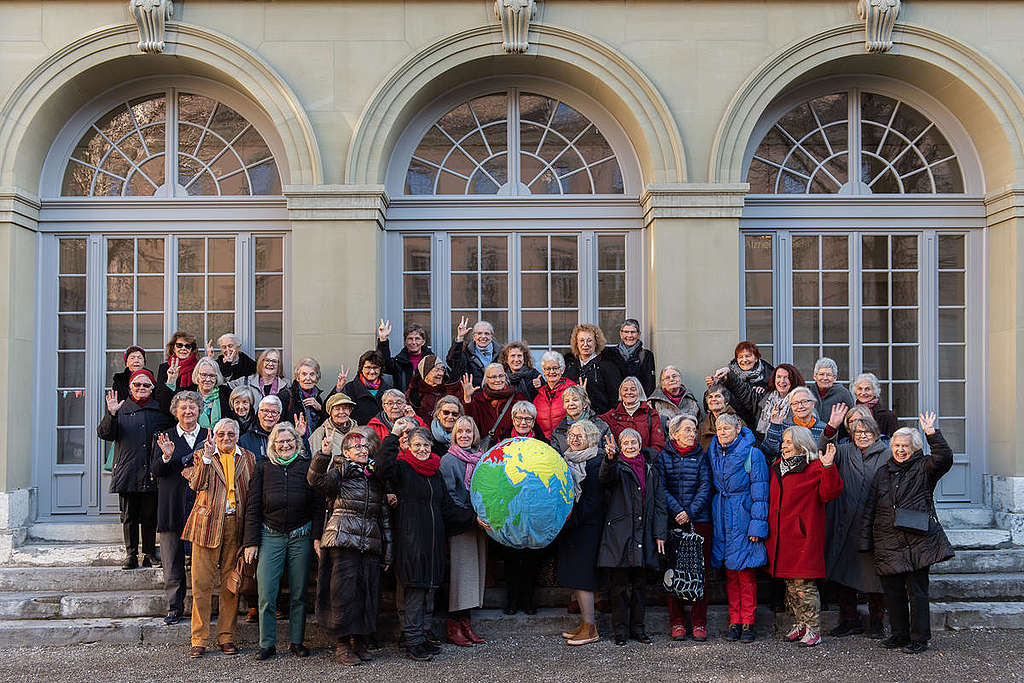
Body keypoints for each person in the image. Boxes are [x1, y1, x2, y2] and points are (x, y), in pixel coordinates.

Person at [374, 426, 478, 662]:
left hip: (433, 543)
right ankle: (412, 640)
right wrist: (391, 437)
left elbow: (448, 508)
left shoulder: (435, 472)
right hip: (410, 541)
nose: (422, 449)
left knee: (428, 590)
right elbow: (381, 469)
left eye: (426, 446)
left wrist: (474, 517)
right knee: (414, 590)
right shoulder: (402, 468)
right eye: (417, 445)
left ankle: (422, 636)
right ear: (409, 447)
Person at [859, 412, 954, 654]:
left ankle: (919, 638)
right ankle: (899, 634)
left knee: (917, 593)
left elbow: (944, 458)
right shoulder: (883, 472)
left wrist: (932, 433)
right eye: (897, 446)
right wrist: (865, 540)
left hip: (916, 540)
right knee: (893, 593)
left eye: (905, 446)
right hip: (887, 540)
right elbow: (871, 506)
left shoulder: (924, 467)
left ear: (914, 448)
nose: (900, 450)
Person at [307, 427, 392, 666]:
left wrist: (388, 551)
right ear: (346, 451)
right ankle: (342, 644)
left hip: (370, 542)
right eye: (357, 447)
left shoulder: (375, 477)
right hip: (343, 540)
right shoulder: (340, 471)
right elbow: (316, 481)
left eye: (365, 447)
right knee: (343, 595)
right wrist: (323, 456)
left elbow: (383, 516)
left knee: (366, 594)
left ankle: (359, 642)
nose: (363, 450)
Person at [243, 422, 323, 661]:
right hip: (271, 535)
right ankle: (267, 644)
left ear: (297, 443)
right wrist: (251, 541)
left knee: (299, 592)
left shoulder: (306, 467)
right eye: (280, 442)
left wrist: (317, 537)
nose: (285, 445)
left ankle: (297, 641)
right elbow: (253, 506)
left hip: (301, 535)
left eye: (290, 441)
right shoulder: (263, 468)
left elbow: (318, 506)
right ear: (273, 445)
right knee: (267, 592)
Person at [182, 418, 257, 659]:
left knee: (230, 584)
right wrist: (206, 457)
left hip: (236, 524)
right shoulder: (203, 455)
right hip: (207, 524)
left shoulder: (248, 457)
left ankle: (226, 636)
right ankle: (199, 638)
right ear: (214, 435)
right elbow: (196, 484)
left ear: (237, 436)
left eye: (230, 434)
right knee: (201, 584)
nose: (226, 439)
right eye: (221, 434)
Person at [766, 426, 843, 648]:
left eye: (789, 442)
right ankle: (800, 623)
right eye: (784, 442)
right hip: (782, 538)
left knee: (804, 587)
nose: (784, 445)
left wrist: (828, 467)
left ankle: (813, 629)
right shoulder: (777, 467)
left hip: (803, 537)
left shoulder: (815, 467)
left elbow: (830, 493)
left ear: (801, 443)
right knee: (790, 587)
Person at [820, 411, 890, 639]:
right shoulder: (844, 451)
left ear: (876, 433)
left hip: (873, 524)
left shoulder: (886, 454)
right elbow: (823, 450)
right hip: (845, 521)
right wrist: (831, 426)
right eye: (858, 432)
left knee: (874, 578)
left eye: (867, 432)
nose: (862, 436)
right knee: (844, 573)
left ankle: (877, 621)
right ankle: (849, 620)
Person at [97, 368, 172, 570]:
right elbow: (105, 434)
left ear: (152, 388)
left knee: (149, 515)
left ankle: (148, 553)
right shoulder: (120, 409)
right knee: (129, 516)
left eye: (146, 385)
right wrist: (111, 414)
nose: (141, 388)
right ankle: (131, 554)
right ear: (130, 387)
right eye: (137, 385)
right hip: (128, 471)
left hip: (151, 471)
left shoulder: (159, 411)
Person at [599, 428, 667, 645]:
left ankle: (638, 629)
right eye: (625, 443)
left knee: (639, 587)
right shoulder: (617, 466)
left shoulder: (650, 469)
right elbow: (605, 479)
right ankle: (620, 632)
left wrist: (659, 534)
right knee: (618, 588)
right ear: (620, 446)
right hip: (620, 536)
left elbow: (659, 504)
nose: (630, 446)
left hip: (643, 534)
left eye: (633, 442)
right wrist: (609, 459)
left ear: (640, 444)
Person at [708, 414, 769, 644]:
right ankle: (734, 621)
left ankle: (748, 622)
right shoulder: (713, 452)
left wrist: (757, 526)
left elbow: (761, 493)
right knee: (730, 572)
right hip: (722, 516)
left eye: (726, 428)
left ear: (738, 428)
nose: (722, 432)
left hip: (743, 517)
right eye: (719, 428)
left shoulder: (753, 454)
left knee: (745, 572)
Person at [655, 414, 712, 642]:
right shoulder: (663, 457)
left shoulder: (701, 457)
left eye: (693, 429)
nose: (692, 433)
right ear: (675, 433)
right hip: (673, 520)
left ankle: (699, 622)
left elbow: (706, 486)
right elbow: (661, 487)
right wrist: (678, 511)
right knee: (673, 572)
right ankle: (677, 622)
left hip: (699, 520)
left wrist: (689, 512)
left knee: (700, 572)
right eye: (687, 430)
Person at [152, 391, 207, 625]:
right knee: (172, 562)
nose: (188, 411)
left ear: (199, 411)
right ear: (175, 411)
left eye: (192, 407)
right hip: (171, 506)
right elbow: (155, 470)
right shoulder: (165, 436)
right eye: (183, 407)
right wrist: (167, 457)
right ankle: (175, 607)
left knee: (200, 563)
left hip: (200, 508)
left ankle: (200, 607)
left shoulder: (208, 435)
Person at [439, 416, 490, 644]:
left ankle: (466, 624)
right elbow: (448, 497)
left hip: (478, 524)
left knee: (473, 576)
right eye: (460, 432)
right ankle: (454, 626)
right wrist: (472, 517)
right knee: (460, 577)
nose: (464, 435)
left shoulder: (481, 458)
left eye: (468, 431)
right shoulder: (449, 460)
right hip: (462, 525)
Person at [557, 420, 605, 646]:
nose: (575, 439)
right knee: (576, 578)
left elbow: (592, 502)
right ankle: (585, 625)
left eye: (581, 436)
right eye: (572, 435)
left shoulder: (595, 462)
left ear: (591, 439)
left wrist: (569, 522)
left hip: (586, 527)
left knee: (583, 578)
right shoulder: (566, 459)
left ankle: (591, 628)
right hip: (573, 526)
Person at [717, 362, 806, 441]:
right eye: (778, 377)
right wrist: (729, 373)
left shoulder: (801, 403)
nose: (781, 381)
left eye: (786, 377)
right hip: (763, 448)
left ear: (793, 380)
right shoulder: (765, 396)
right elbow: (744, 391)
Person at [563, 323, 621, 415]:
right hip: (574, 420)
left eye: (589, 340)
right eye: (581, 340)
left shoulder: (607, 367)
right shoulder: (570, 367)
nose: (585, 344)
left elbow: (615, 399)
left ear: (596, 342)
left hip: (601, 420)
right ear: (576, 343)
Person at [461, 363, 527, 443]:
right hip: (488, 450)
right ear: (486, 380)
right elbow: (470, 424)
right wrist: (467, 399)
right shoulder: (479, 399)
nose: (498, 380)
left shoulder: (518, 398)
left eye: (501, 376)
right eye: (493, 377)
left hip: (512, 448)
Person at [599, 376, 666, 455]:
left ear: (639, 392)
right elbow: (593, 420)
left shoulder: (651, 414)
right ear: (620, 393)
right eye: (625, 390)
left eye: (633, 389)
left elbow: (658, 444)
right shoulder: (612, 416)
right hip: (620, 464)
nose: (629, 392)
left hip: (645, 463)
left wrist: (647, 459)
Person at [717, 341, 774, 426]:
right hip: (735, 424)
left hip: (760, 425)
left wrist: (765, 390)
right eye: (740, 357)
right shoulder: (727, 376)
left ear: (756, 358)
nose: (744, 360)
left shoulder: (770, 374)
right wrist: (713, 387)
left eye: (748, 356)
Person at [763, 386, 826, 459]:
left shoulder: (823, 428)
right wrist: (774, 426)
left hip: (814, 468)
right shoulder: (783, 425)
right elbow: (769, 452)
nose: (800, 406)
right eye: (795, 403)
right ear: (791, 407)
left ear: (813, 404)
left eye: (805, 401)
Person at [600, 319, 656, 396]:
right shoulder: (609, 354)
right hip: (614, 403)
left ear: (639, 334)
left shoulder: (646, 355)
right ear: (621, 334)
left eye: (633, 332)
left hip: (637, 402)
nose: (629, 336)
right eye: (626, 332)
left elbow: (649, 384)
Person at [550, 384, 611, 455]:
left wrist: (592, 453)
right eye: (567, 401)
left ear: (585, 404)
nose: (571, 403)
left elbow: (611, 453)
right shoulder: (558, 431)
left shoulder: (600, 425)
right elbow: (555, 457)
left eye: (575, 400)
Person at [335, 350, 392, 426]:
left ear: (380, 369)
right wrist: (338, 389)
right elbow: (329, 411)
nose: (372, 371)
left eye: (375, 368)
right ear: (361, 368)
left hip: (382, 435)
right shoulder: (350, 388)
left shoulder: (389, 390)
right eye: (368, 367)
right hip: (357, 434)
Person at [376, 319, 433, 391]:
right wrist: (383, 339)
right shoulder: (398, 362)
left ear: (423, 342)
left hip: (425, 401)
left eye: (417, 339)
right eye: (410, 339)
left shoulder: (431, 361)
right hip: (403, 401)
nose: (413, 342)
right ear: (405, 342)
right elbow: (384, 364)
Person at [447, 318, 502, 388]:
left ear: (491, 336)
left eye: (487, 333)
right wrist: (460, 337)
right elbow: (453, 363)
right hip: (474, 394)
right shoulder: (466, 352)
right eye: (479, 333)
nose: (483, 336)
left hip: (497, 393)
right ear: (474, 336)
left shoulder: (501, 352)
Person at [532, 351, 575, 440]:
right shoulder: (539, 396)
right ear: (543, 372)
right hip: (544, 444)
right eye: (548, 369)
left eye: (555, 368)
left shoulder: (572, 390)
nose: (552, 372)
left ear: (562, 370)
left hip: (567, 443)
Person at [406, 355, 462, 423]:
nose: (441, 373)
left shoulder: (448, 388)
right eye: (436, 370)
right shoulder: (414, 392)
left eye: (442, 369)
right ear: (425, 374)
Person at [648, 365, 702, 432]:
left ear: (680, 379)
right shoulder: (653, 403)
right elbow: (650, 425)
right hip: (665, 441)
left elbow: (699, 425)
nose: (671, 379)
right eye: (667, 378)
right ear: (662, 383)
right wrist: (665, 422)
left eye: (674, 376)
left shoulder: (691, 401)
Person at [189, 357, 235, 430]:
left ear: (217, 377)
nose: (208, 379)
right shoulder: (189, 395)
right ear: (197, 376)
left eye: (212, 376)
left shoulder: (227, 394)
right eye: (204, 375)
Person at [285, 357, 327, 435]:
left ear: (316, 377)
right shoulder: (287, 395)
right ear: (298, 377)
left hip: (314, 443)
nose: (308, 378)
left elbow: (324, 425)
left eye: (312, 374)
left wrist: (320, 409)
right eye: (304, 374)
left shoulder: (317, 397)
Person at [852, 372, 899, 438]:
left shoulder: (888, 416)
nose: (863, 393)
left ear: (875, 391)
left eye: (867, 389)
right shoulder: (851, 413)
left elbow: (894, 441)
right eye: (860, 389)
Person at [811, 357, 855, 426]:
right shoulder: (809, 393)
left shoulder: (843, 393)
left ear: (835, 378)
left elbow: (852, 418)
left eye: (829, 375)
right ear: (815, 376)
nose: (825, 378)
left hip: (838, 436)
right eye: (821, 374)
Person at [697, 384, 743, 450]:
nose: (713, 399)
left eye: (717, 396)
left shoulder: (737, 422)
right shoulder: (702, 427)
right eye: (710, 397)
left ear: (726, 401)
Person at [239, 395, 283, 463]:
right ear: (259, 413)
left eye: (274, 412)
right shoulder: (245, 440)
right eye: (265, 411)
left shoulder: (285, 438)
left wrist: (300, 435)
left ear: (279, 416)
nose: (269, 415)